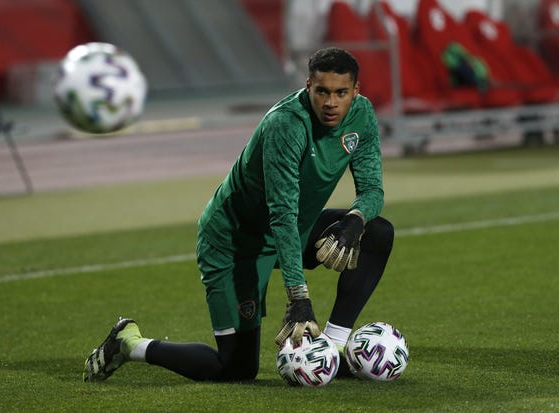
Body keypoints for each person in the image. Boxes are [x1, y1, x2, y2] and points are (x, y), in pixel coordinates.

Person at [83, 47, 394, 382]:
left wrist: (355, 218)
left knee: (376, 232)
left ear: (355, 92)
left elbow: (373, 190)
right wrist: (298, 297)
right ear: (308, 87)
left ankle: (331, 349)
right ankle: (129, 344)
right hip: (234, 242)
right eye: (322, 91)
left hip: (293, 229)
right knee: (236, 368)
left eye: (340, 93)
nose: (330, 102)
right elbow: (282, 214)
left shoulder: (362, 115)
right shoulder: (286, 125)